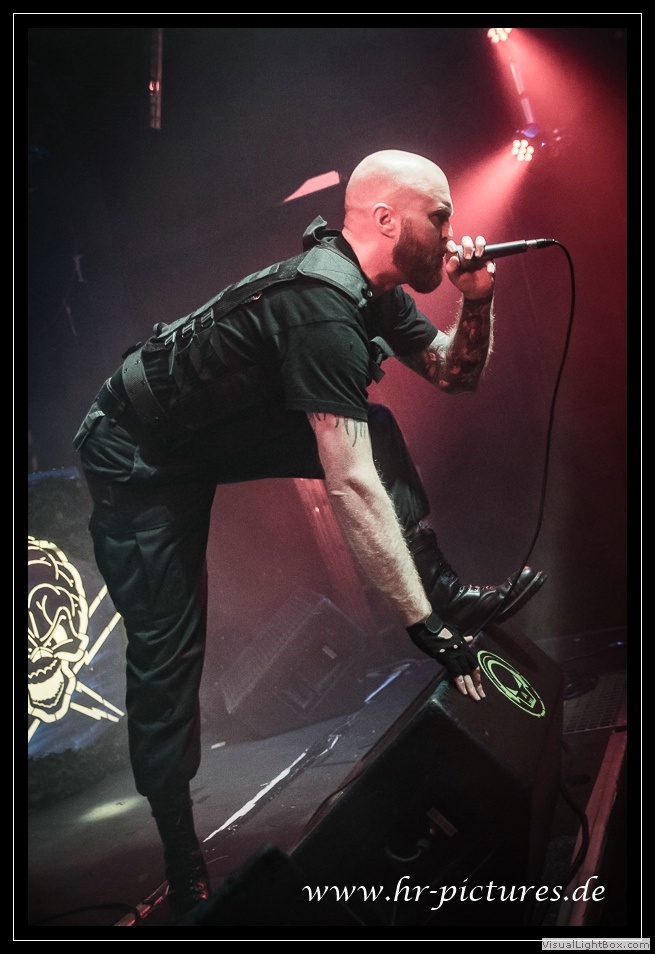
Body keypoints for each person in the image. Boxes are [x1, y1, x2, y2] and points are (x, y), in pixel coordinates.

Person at [72, 149, 546, 922]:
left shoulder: (374, 292)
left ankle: (442, 586)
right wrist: (422, 629)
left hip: (215, 430)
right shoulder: (323, 307)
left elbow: (454, 374)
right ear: (387, 221)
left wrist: (478, 301)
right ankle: (179, 845)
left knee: (375, 427)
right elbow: (350, 486)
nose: (452, 231)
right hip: (137, 453)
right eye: (439, 216)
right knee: (167, 652)